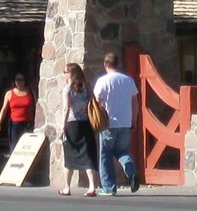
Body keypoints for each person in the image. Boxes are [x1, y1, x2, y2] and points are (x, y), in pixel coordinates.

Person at [92, 51, 141, 196]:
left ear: (105, 65)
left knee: (105, 155)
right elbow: (135, 102)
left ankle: (109, 187)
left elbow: (97, 103)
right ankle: (131, 170)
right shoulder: (128, 80)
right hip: (125, 122)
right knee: (123, 151)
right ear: (118, 64)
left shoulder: (103, 81)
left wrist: (97, 121)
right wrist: (134, 120)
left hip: (108, 123)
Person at [58, 62, 100, 197]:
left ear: (71, 74)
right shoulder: (86, 87)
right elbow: (94, 102)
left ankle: (67, 187)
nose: (64, 74)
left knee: (69, 157)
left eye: (65, 72)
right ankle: (92, 187)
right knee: (87, 155)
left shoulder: (67, 89)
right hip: (86, 123)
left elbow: (66, 109)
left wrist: (62, 127)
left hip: (72, 125)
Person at [0, 73, 35, 154]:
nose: (19, 82)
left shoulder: (31, 92)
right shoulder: (9, 93)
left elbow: (37, 106)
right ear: (14, 81)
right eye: (17, 80)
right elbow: (4, 109)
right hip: (15, 124)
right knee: (14, 147)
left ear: (25, 81)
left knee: (27, 147)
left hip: (28, 123)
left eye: (22, 80)